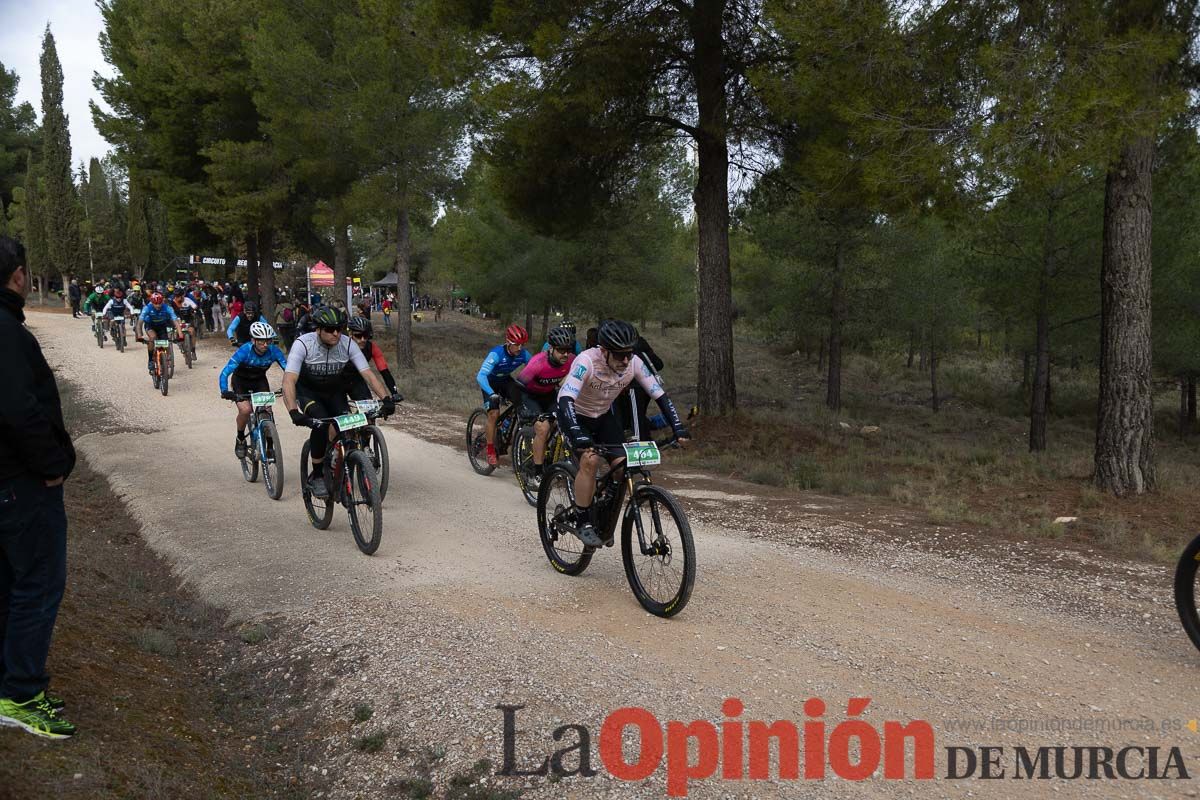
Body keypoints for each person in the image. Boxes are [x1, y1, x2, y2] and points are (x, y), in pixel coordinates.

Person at [0, 236, 77, 738]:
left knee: (9, 584)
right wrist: (52, 463)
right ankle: (22, 694)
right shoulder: (6, 331)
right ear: (19, 275)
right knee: (38, 585)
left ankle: (9, 683)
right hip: (21, 483)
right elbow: (16, 409)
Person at [557, 320, 689, 547]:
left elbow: (660, 396)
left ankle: (603, 511)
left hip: (604, 416)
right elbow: (565, 398)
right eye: (619, 355)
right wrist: (577, 432)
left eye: (629, 353)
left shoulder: (633, 363)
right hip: (575, 415)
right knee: (590, 461)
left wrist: (677, 427)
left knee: (622, 465)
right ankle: (583, 520)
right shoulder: (587, 360)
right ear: (604, 351)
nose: (625, 360)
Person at [283, 307, 394, 497]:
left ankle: (339, 458)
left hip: (334, 391)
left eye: (339, 329)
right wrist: (293, 411)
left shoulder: (347, 344)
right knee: (320, 423)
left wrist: (386, 398)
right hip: (309, 392)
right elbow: (289, 380)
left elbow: (367, 374)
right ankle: (317, 475)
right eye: (329, 329)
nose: (336, 333)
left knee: (346, 424)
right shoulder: (303, 344)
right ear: (318, 329)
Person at [513, 326, 576, 481]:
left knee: (562, 422)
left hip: (549, 394)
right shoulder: (538, 363)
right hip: (530, 396)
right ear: (551, 348)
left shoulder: (572, 360)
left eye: (568, 350)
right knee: (543, 427)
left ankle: (549, 453)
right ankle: (538, 471)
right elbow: (518, 386)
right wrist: (521, 408)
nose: (565, 354)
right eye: (561, 350)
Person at [219, 321, 288, 458]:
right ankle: (240, 438)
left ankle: (269, 446)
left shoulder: (273, 351)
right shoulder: (244, 351)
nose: (265, 345)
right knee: (246, 410)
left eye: (268, 341)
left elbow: (288, 370)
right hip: (240, 382)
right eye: (261, 342)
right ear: (253, 340)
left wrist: (292, 386)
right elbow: (225, 372)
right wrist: (225, 390)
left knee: (267, 410)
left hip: (259, 381)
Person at [475, 324, 532, 467]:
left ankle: (507, 429)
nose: (519, 348)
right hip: (490, 383)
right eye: (516, 344)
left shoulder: (524, 355)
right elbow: (481, 376)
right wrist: (492, 394)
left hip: (506, 381)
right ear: (508, 342)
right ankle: (490, 450)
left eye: (522, 345)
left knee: (521, 404)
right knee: (494, 414)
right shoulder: (497, 354)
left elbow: (535, 370)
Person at [345, 316, 400, 400]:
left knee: (369, 408)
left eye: (365, 336)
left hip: (357, 380)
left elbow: (384, 371)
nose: (363, 339)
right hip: (337, 381)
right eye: (358, 336)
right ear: (350, 334)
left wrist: (394, 392)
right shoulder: (342, 346)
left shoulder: (372, 348)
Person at [137, 292, 180, 373]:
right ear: (152, 302)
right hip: (150, 325)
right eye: (156, 304)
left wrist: (180, 335)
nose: (158, 306)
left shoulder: (167, 307)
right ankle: (150, 360)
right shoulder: (147, 308)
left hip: (161, 326)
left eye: (160, 303)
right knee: (152, 338)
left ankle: (165, 358)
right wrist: (139, 335)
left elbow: (176, 321)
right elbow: (139, 322)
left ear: (162, 302)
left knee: (165, 343)